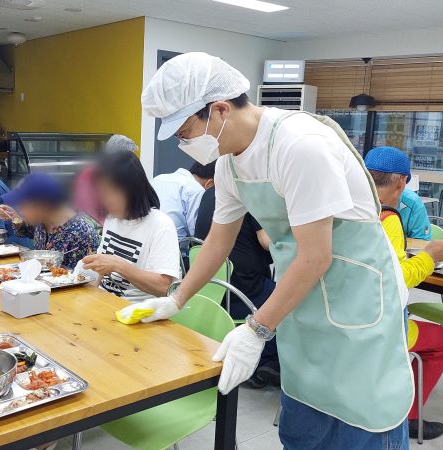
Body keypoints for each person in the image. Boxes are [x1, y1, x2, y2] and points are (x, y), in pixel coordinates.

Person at [128, 52, 413, 448]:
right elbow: (218, 242)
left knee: (359, 425)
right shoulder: (230, 164)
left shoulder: (300, 145)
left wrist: (256, 328)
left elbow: (316, 256)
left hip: (361, 302)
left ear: (220, 109)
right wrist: (176, 298)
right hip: (301, 297)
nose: (184, 144)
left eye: (185, 132)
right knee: (304, 422)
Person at [365, 146, 443, 440]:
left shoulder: (351, 208)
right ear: (402, 182)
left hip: (343, 319)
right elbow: (397, 280)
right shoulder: (388, 218)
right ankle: (411, 418)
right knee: (441, 339)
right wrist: (429, 257)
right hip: (377, 328)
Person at [193, 163, 278, 388]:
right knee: (286, 299)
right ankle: (267, 362)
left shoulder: (209, 194)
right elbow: (267, 242)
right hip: (242, 292)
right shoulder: (250, 196)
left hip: (210, 288)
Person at [82, 151, 181, 301]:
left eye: (109, 193)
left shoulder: (161, 225)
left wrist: (118, 265)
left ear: (131, 190)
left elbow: (164, 288)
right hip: (104, 302)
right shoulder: (112, 218)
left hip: (137, 309)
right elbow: (102, 272)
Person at [0, 172, 100, 269]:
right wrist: (15, 217)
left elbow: (84, 278)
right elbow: (26, 231)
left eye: (23, 206)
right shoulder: (42, 220)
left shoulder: (80, 234)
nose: (21, 210)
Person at [73, 134, 138, 228]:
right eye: (129, 158)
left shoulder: (111, 172)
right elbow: (88, 208)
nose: (131, 162)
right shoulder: (94, 174)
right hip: (94, 227)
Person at [151, 161, 213, 254]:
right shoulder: (196, 189)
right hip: (171, 253)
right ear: (210, 184)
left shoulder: (158, 178)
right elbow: (196, 233)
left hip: (143, 244)